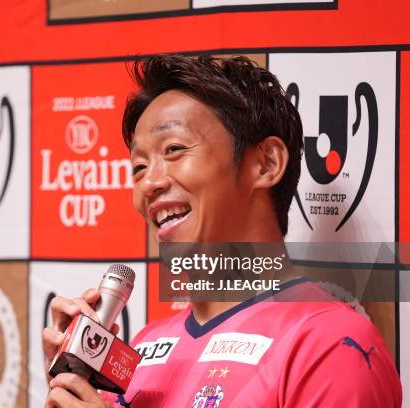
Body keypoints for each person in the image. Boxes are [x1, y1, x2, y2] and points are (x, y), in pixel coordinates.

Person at [42, 55, 402, 407]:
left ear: (266, 163)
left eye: (174, 149)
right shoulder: (144, 346)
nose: (148, 183)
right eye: (138, 167)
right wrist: (70, 384)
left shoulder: (332, 344)